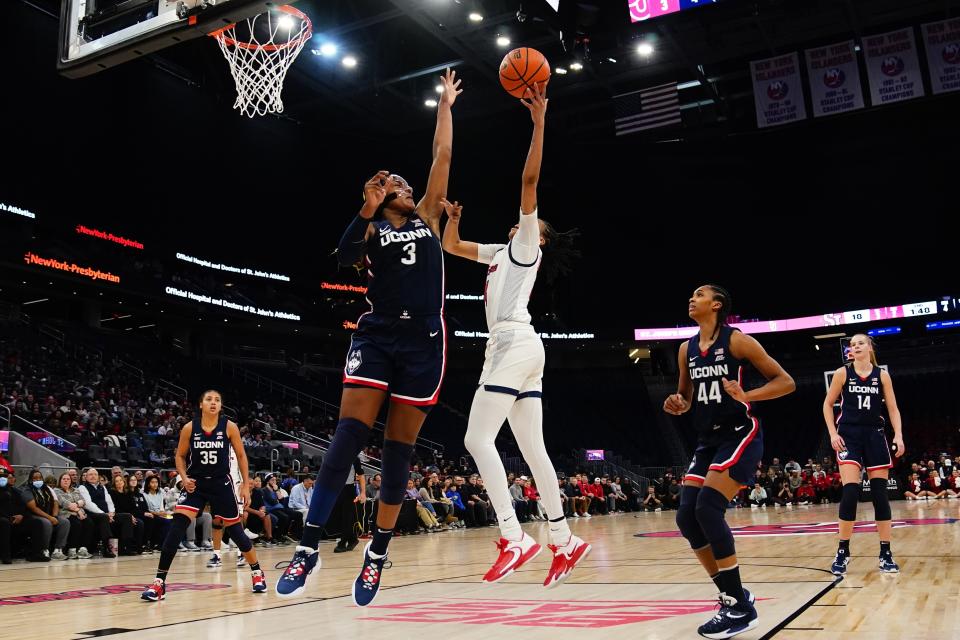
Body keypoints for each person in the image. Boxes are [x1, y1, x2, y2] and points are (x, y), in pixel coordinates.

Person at [276, 69, 462, 606]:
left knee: (398, 452)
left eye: (403, 185)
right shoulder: (374, 228)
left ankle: (376, 554)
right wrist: (364, 204)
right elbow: (343, 256)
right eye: (395, 187)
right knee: (347, 438)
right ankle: (307, 547)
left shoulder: (428, 217)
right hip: (378, 335)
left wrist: (444, 106)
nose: (404, 188)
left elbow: (442, 158)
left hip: (426, 341)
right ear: (382, 200)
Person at [440, 82, 588, 588]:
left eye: (531, 222)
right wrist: (452, 222)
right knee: (534, 450)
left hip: (511, 344)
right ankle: (565, 539)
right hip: (523, 348)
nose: (523, 220)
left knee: (477, 437)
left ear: (537, 236)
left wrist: (539, 124)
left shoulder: (526, 246)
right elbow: (453, 247)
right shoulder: (500, 253)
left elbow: (529, 182)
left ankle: (514, 535)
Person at [663, 285, 795, 638]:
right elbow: (686, 397)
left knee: (707, 509)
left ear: (716, 305)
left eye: (700, 294)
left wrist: (746, 394)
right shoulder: (684, 349)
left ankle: (738, 606)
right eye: (690, 294)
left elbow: (786, 382)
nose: (692, 298)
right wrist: (677, 403)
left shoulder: (737, 341)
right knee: (686, 518)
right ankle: (733, 594)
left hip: (740, 432)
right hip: (708, 440)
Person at [141, 390, 265, 601]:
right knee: (177, 526)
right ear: (201, 404)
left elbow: (242, 455)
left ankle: (256, 571)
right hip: (196, 483)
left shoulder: (229, 427)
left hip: (221, 483)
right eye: (209, 399)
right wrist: (183, 476)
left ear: (221, 405)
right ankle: (159, 583)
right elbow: (179, 456)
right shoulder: (190, 428)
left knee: (235, 532)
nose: (213, 402)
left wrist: (245, 485)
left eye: (217, 399)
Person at [823, 334, 904, 576]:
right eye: (853, 344)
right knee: (850, 492)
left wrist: (898, 435)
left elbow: (892, 408)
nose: (856, 346)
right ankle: (843, 551)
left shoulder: (882, 375)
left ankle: (885, 552)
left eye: (860, 343)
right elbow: (827, 404)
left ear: (870, 347)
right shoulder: (842, 373)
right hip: (848, 435)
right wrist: (832, 434)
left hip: (874, 435)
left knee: (880, 494)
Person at [23, 468, 70, 560]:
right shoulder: (27, 490)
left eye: (40, 478)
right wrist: (50, 518)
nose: (38, 480)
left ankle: (58, 550)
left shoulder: (46, 488)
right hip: (34, 516)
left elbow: (55, 502)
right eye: (35, 478)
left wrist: (55, 516)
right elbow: (33, 508)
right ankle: (44, 549)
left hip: (49, 515)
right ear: (30, 479)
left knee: (65, 522)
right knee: (46, 523)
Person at [54, 472, 95, 559]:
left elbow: (83, 502)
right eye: (64, 479)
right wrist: (78, 508)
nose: (66, 481)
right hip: (65, 514)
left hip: (79, 513)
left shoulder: (75, 490)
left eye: (68, 479)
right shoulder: (56, 491)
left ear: (70, 481)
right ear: (60, 481)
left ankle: (83, 549)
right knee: (77, 524)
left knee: (89, 522)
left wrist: (78, 507)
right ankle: (72, 549)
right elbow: (66, 504)